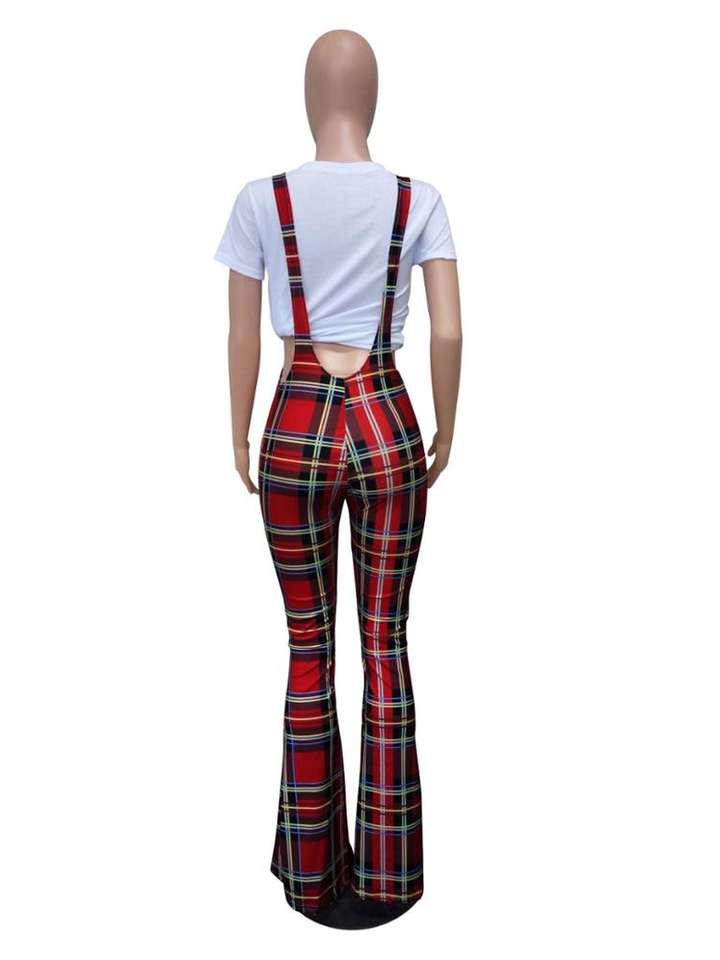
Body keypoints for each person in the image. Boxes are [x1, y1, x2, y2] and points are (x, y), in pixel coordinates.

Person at [214, 29, 462, 929]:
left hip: (295, 421)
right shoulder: (419, 199)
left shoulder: (262, 200)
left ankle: (313, 875)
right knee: (385, 645)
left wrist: (238, 434)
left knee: (308, 647)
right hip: (388, 417)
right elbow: (448, 331)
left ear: (310, 96)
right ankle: (389, 876)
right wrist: (446, 428)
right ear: (373, 97)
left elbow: (243, 333)